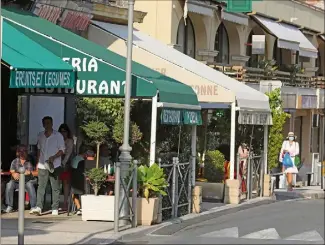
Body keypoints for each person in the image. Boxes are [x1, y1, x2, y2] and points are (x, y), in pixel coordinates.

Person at [32, 116, 65, 216]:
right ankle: (39, 207)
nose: (47, 125)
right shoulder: (40, 135)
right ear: (43, 124)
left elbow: (62, 150)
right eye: (45, 123)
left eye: (49, 123)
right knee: (41, 186)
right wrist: (37, 163)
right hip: (42, 165)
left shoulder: (58, 135)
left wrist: (54, 157)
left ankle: (55, 207)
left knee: (55, 187)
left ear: (52, 123)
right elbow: (38, 149)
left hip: (55, 165)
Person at [4, 145, 37, 213]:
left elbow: (38, 173)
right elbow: (12, 171)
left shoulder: (32, 160)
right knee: (9, 184)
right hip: (17, 182)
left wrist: (30, 172)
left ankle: (33, 207)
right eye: (20, 151)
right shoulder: (14, 161)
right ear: (18, 152)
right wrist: (14, 174)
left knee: (30, 185)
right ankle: (10, 206)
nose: (22, 153)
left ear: (27, 152)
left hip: (28, 180)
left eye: (24, 151)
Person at [58, 124, 74, 210]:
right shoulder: (57, 140)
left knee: (65, 183)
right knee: (57, 183)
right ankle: (56, 203)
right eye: (61, 131)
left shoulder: (69, 141)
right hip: (57, 163)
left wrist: (63, 163)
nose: (63, 133)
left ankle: (65, 202)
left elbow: (68, 154)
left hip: (66, 164)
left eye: (65, 131)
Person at [71, 145, 88, 215]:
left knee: (74, 191)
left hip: (76, 182)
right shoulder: (83, 161)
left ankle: (78, 207)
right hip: (82, 182)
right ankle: (81, 207)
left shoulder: (75, 159)